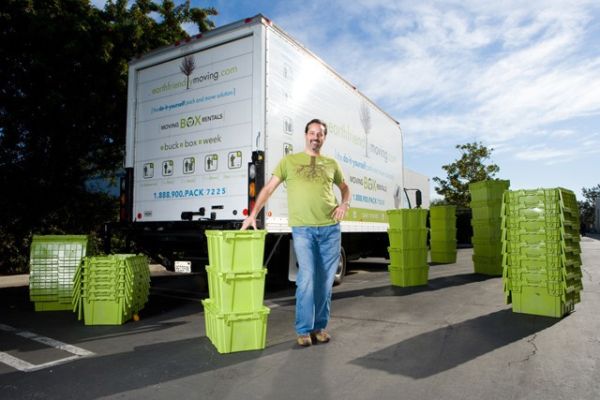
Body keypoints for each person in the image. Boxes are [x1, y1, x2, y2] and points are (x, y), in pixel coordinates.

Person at [241, 118, 351, 347]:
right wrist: (253, 214)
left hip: (330, 230)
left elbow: (345, 188)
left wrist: (344, 205)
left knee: (325, 282)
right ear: (305, 135)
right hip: (303, 230)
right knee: (308, 278)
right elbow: (269, 188)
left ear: (324, 137)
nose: (315, 137)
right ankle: (303, 329)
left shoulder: (331, 164)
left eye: (320, 134)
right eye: (312, 132)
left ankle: (319, 327)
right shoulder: (289, 161)